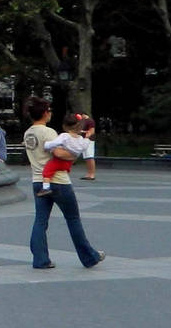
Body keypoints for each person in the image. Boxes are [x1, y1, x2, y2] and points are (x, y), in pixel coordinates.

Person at [23, 96, 105, 269]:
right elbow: (59, 153)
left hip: (38, 180)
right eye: (49, 110)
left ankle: (40, 259)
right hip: (58, 181)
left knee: (40, 220)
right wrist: (74, 156)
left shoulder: (28, 133)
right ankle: (89, 257)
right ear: (45, 113)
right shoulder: (49, 133)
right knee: (73, 219)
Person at [35, 115, 89, 196]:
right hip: (69, 163)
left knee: (47, 170)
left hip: (59, 161)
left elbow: (54, 143)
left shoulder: (65, 136)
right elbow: (84, 147)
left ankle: (46, 187)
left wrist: (46, 145)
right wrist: (86, 138)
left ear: (65, 126)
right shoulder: (80, 139)